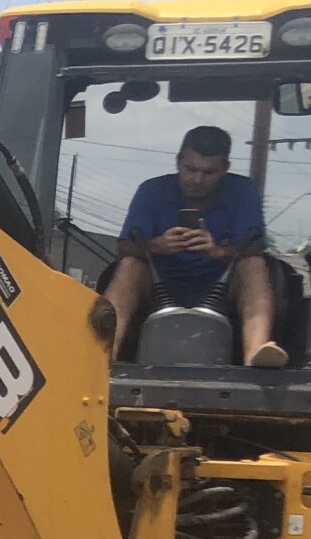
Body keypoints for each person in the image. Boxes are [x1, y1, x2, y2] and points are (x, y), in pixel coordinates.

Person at [104, 124, 284, 367]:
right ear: (178, 162)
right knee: (129, 265)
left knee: (254, 265)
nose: (197, 179)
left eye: (209, 172)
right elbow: (124, 247)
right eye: (191, 169)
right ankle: (104, 352)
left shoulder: (243, 190)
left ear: (225, 169)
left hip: (222, 285)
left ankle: (256, 354)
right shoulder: (151, 190)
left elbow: (255, 247)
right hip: (159, 284)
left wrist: (217, 251)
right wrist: (156, 246)